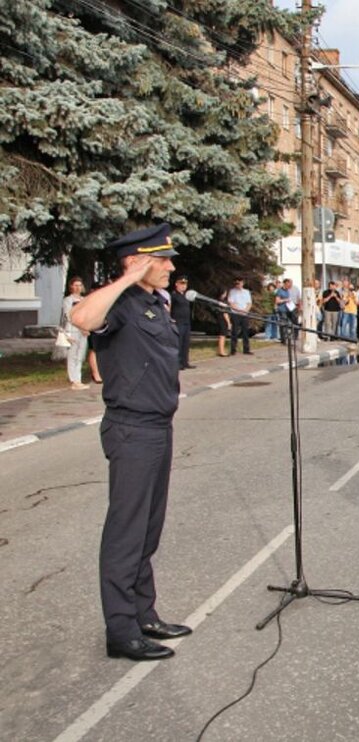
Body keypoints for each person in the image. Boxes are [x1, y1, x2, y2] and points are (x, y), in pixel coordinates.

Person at [68, 224, 191, 662]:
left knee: (148, 530)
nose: (172, 266)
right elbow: (81, 319)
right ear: (137, 261)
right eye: (163, 260)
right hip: (132, 429)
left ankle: (144, 614)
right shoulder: (120, 302)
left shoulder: (152, 303)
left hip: (159, 427)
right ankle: (121, 632)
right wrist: (123, 279)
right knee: (126, 533)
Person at [63, 276, 90, 389]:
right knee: (72, 354)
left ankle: (78, 378)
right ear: (71, 287)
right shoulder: (68, 300)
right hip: (73, 329)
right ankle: (73, 379)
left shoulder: (84, 300)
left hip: (83, 330)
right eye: (75, 285)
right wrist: (80, 326)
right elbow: (69, 316)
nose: (78, 287)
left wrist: (86, 327)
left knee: (80, 355)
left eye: (79, 285)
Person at [169, 276, 194, 369]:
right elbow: (169, 307)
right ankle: (178, 363)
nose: (184, 286)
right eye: (181, 284)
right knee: (178, 343)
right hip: (178, 321)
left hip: (186, 321)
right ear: (176, 284)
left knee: (186, 343)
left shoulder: (186, 296)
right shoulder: (174, 295)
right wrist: (170, 318)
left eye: (185, 284)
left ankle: (185, 362)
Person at [226, 278, 253, 355]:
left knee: (245, 332)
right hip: (235, 313)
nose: (237, 285)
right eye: (236, 283)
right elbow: (231, 303)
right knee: (234, 331)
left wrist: (246, 310)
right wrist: (238, 310)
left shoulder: (246, 292)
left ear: (242, 283)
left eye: (239, 283)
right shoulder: (232, 291)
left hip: (244, 313)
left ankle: (246, 349)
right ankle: (233, 349)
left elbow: (249, 303)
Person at [274, 278, 297, 344]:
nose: (289, 286)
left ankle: (287, 337)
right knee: (283, 324)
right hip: (282, 309)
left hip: (288, 309)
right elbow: (277, 301)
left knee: (290, 323)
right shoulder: (280, 291)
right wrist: (286, 300)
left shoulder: (287, 291)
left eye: (290, 284)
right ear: (285, 284)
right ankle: (283, 339)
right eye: (288, 284)